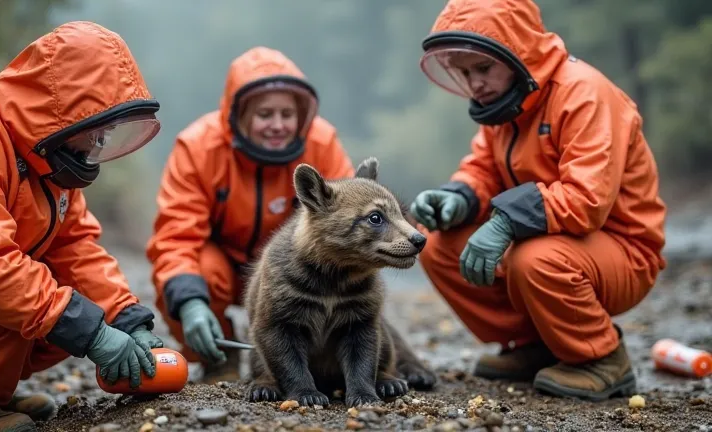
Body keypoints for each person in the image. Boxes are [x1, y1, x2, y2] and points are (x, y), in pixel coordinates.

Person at [410, 0, 666, 401]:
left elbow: (586, 198)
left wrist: (504, 222)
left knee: (536, 258)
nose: (474, 83)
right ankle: (536, 346)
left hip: (622, 250)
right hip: (554, 238)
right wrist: (456, 198)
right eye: (462, 72)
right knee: (437, 244)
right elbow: (481, 170)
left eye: (482, 68)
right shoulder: (506, 103)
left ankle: (602, 358)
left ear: (517, 52)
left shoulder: (584, 93)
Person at [0, 21, 165, 431]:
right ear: (62, 113)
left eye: (107, 133)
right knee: (11, 299)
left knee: (67, 309)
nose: (99, 145)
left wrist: (124, 318)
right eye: (96, 132)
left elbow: (75, 246)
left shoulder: (47, 153)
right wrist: (93, 334)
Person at [146, 46, 355, 382]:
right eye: (265, 114)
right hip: (225, 268)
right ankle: (219, 355)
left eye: (287, 114)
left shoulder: (322, 142)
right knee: (187, 275)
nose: (277, 125)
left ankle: (321, 358)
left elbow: (350, 223)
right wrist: (189, 303)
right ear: (239, 113)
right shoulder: (198, 146)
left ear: (301, 116)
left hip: (296, 269)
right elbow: (175, 237)